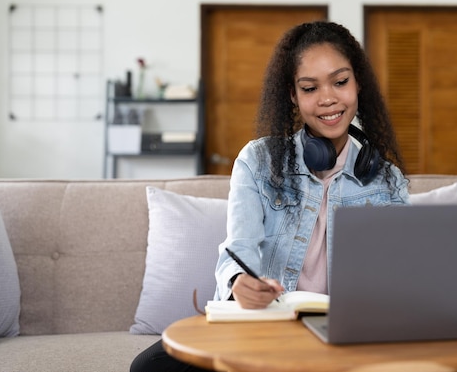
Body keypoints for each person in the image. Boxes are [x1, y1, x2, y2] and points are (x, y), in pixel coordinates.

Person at [130, 20, 409, 372]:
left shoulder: (387, 180)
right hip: (265, 327)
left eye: (340, 82)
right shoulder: (258, 161)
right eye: (309, 88)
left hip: (345, 336)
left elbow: (401, 279)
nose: (328, 99)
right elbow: (237, 252)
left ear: (358, 85)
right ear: (293, 94)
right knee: (151, 367)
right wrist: (240, 284)